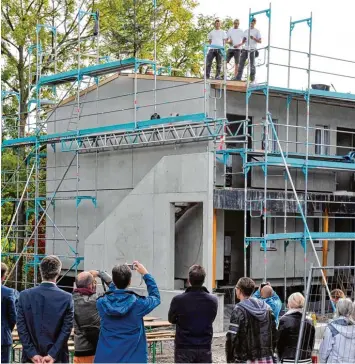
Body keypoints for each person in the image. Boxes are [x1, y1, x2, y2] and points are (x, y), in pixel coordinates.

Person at [94, 261, 160, 363]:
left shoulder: (101, 303)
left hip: (107, 357)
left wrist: (111, 282)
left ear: (114, 282)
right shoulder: (139, 304)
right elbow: (155, 297)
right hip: (132, 359)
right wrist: (145, 274)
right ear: (130, 282)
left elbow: (113, 294)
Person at [17, 255, 74, 364]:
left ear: (40, 270)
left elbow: (21, 327)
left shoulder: (25, 295)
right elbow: (66, 330)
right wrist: (52, 354)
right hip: (57, 358)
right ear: (58, 272)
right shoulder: (67, 298)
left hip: (31, 359)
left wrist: (32, 353)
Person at [168, 265, 218, 363]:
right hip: (204, 347)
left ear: (189, 280)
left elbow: (171, 319)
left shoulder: (178, 300)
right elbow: (211, 318)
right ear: (204, 280)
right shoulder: (213, 300)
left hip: (184, 347)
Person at [226, 277, 277, 363]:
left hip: (246, 359)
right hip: (267, 358)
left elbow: (231, 338)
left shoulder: (239, 310)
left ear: (239, 290)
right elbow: (274, 334)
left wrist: (230, 359)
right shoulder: (267, 308)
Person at [73, 270, 113, 363]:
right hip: (96, 351)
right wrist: (100, 273)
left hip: (79, 351)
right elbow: (116, 289)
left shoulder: (69, 299)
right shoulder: (98, 299)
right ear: (91, 285)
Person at [277, 293, 315, 363]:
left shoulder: (284, 320)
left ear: (289, 304)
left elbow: (280, 342)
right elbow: (311, 342)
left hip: (288, 358)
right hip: (306, 358)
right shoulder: (309, 321)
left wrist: (280, 357)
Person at [319, 298, 355, 363]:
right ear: (351, 310)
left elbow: (325, 350)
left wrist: (322, 361)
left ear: (337, 309)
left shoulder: (331, 327)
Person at [236, 18, 262, 83]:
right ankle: (238, 78)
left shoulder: (257, 31)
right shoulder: (246, 31)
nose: (251, 24)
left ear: (254, 23)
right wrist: (239, 45)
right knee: (241, 63)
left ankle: (252, 79)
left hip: (252, 49)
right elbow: (243, 41)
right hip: (245, 49)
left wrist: (254, 38)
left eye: (253, 23)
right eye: (251, 23)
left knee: (252, 64)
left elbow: (260, 41)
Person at [1, 262, 17, 364]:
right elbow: (13, 317)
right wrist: (6, 329)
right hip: (3, 337)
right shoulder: (8, 292)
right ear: (3, 276)